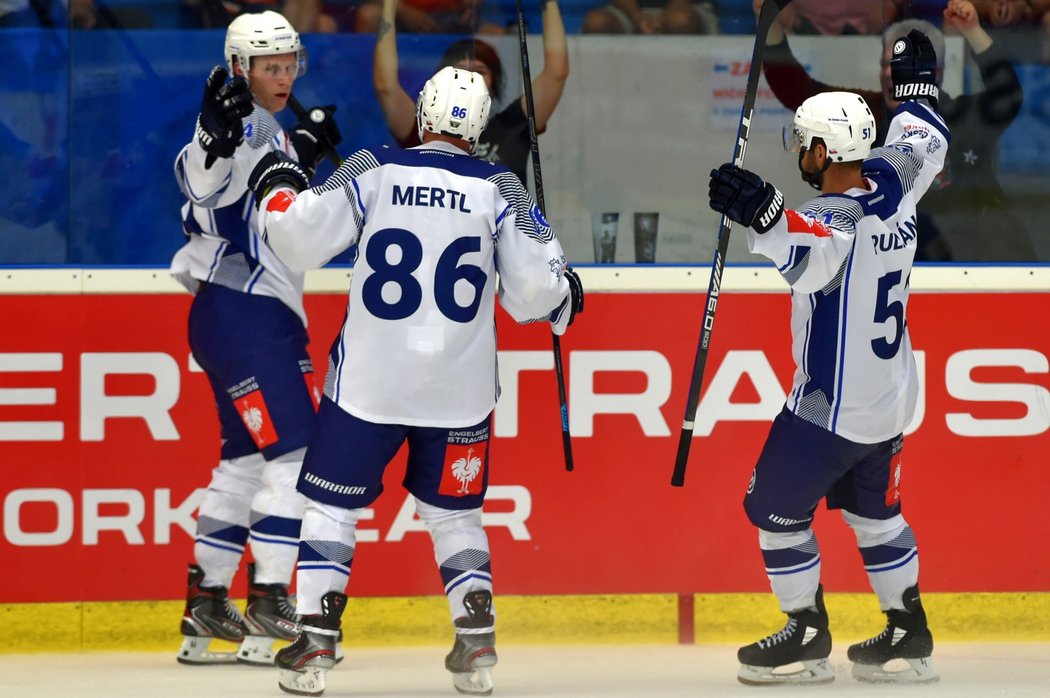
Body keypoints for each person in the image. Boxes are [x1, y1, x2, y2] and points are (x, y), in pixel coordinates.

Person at [245, 65, 584, 696]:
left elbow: (294, 238)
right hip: (460, 390)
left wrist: (280, 187)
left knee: (331, 507)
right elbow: (537, 294)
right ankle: (475, 639)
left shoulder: (373, 166)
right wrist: (566, 288)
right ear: (481, 128)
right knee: (456, 516)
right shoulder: (500, 185)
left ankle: (316, 640)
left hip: (371, 383)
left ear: (423, 114)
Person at [706, 30, 945, 685]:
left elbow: (812, 253)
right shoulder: (897, 179)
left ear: (825, 149)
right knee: (878, 516)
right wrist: (917, 83)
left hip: (829, 412)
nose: (800, 152)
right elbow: (925, 137)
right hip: (890, 402)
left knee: (772, 514)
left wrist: (763, 213)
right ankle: (908, 632)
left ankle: (806, 636)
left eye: (804, 141)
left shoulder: (831, 214)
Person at [171, 9, 343, 666]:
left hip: (229, 314)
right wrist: (215, 136)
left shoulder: (265, 126)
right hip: (247, 314)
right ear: (239, 67)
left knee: (244, 464)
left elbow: (257, 172)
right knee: (299, 457)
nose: (282, 76)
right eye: (268, 66)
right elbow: (203, 177)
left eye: (288, 64)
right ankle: (272, 597)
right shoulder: (230, 121)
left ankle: (206, 603)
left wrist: (302, 143)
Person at [756, 0, 1034, 261]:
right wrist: (770, 24)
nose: (889, 73)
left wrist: (972, 30)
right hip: (891, 267)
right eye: (884, 64)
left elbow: (1007, 93)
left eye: (900, 66)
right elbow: (798, 91)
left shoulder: (960, 118)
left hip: (972, 264)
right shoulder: (864, 117)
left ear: (935, 73)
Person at [373, 0, 569, 186]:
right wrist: (390, 5)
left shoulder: (512, 126)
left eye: (480, 72)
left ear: (494, 82)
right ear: (439, 82)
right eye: (460, 71)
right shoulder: (425, 127)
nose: (468, 79)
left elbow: (556, 73)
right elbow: (386, 87)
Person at [580, 0, 719, 34]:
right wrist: (639, 18)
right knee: (597, 22)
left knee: (678, 20)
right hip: (632, 11)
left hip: (687, 7)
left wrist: (662, 20)